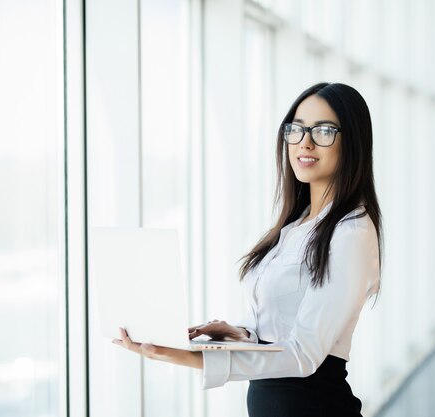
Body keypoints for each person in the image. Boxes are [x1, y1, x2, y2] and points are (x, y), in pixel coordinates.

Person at [112, 82, 383, 417]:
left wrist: (182, 355)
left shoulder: (350, 233)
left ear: (353, 141)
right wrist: (242, 334)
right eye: (295, 130)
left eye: (324, 131)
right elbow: (284, 329)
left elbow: (303, 355)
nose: (305, 142)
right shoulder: (296, 225)